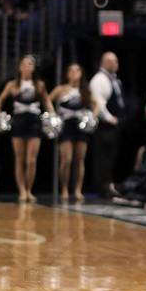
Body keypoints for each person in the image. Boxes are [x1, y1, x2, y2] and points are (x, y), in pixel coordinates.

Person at [0, 55, 53, 202]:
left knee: (31, 160)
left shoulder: (39, 85)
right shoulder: (13, 85)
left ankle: (29, 189)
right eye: (24, 64)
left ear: (33, 68)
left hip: (34, 121)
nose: (27, 67)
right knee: (20, 159)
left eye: (30, 64)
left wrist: (53, 117)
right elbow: (0, 100)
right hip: (19, 122)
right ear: (20, 67)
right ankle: (21, 190)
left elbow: (47, 102)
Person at [51, 63, 97, 202]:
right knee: (66, 159)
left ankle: (77, 189)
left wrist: (92, 116)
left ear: (81, 73)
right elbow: (47, 99)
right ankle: (64, 188)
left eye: (77, 70)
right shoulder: (61, 89)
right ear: (67, 74)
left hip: (80, 126)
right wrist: (53, 115)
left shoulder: (85, 90)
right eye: (71, 70)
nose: (74, 73)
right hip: (66, 125)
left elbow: (97, 104)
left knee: (79, 159)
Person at [89, 51, 126, 197]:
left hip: (115, 125)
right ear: (103, 63)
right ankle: (103, 187)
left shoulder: (115, 80)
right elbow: (98, 103)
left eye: (115, 61)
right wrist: (109, 118)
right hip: (105, 125)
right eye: (110, 61)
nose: (114, 64)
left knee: (111, 157)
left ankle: (109, 184)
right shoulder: (99, 80)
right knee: (103, 157)